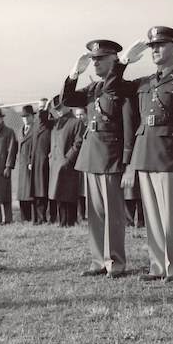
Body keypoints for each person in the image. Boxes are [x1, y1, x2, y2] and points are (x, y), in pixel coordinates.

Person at [120, 26, 173, 281]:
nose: (154, 50)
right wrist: (122, 63)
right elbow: (113, 88)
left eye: (160, 45)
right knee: (152, 217)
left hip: (169, 153)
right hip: (144, 150)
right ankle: (157, 266)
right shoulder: (144, 82)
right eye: (152, 46)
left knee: (170, 217)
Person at [61, 39, 136, 278]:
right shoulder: (93, 89)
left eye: (100, 59)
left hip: (111, 157)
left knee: (113, 214)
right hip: (92, 156)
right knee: (95, 214)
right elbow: (67, 100)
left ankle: (115, 262)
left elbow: (127, 126)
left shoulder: (122, 88)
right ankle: (98, 261)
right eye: (93, 59)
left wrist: (127, 162)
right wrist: (74, 74)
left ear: (114, 60)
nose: (95, 63)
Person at [47, 96, 84, 227]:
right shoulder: (56, 123)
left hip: (68, 164)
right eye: (56, 109)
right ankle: (62, 221)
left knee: (68, 194)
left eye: (60, 107)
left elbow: (78, 143)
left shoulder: (76, 122)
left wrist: (68, 159)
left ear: (67, 106)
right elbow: (42, 121)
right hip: (56, 162)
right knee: (58, 193)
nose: (58, 111)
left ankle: (70, 221)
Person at [29, 106, 52, 225]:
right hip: (35, 164)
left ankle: (43, 217)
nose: (38, 119)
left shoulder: (49, 131)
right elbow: (31, 148)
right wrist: (30, 161)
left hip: (44, 165)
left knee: (43, 192)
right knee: (36, 193)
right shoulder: (35, 130)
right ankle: (36, 218)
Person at [15, 104, 36, 222]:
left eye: (27, 116)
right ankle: (24, 218)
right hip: (22, 166)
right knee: (22, 193)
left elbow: (37, 148)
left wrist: (31, 160)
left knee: (30, 192)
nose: (25, 119)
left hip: (31, 165)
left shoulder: (36, 129)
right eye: (23, 116)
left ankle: (33, 218)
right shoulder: (20, 131)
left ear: (32, 116)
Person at [73, 107, 88, 220]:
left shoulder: (89, 126)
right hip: (78, 162)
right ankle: (81, 214)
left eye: (81, 115)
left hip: (89, 162)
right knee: (79, 189)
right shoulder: (75, 128)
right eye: (77, 115)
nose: (79, 117)